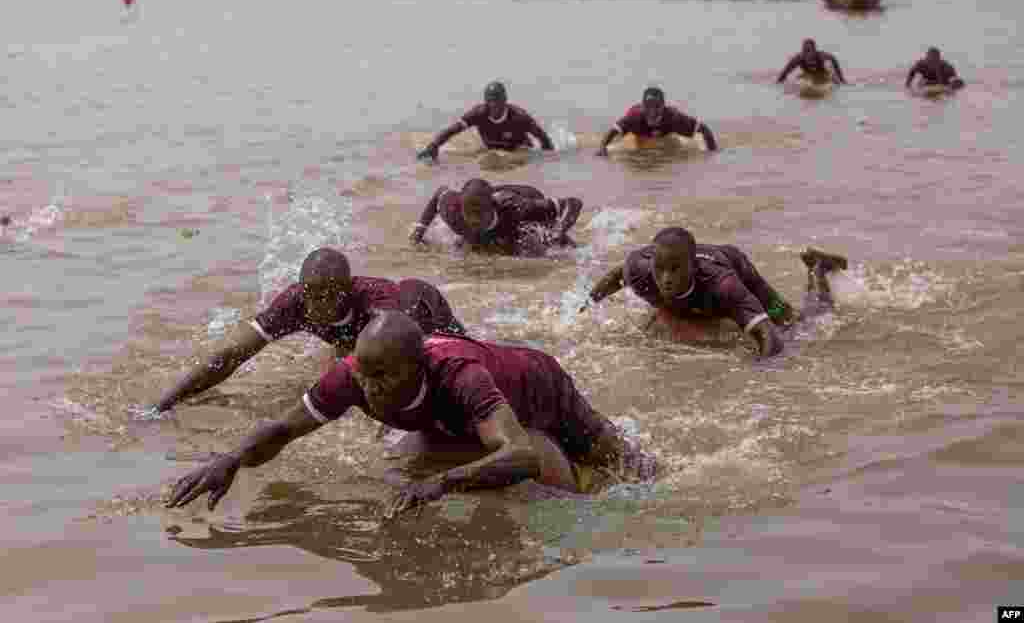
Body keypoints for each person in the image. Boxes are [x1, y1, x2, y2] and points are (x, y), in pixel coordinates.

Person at [165, 311, 657, 517]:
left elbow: (521, 454)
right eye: (362, 372)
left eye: (381, 376)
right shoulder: (352, 375)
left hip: (539, 387)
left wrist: (444, 483)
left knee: (614, 477)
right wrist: (230, 459)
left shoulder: (459, 376)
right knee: (411, 465)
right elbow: (282, 429)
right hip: (465, 418)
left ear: (416, 368)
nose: (367, 386)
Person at [153, 248, 466, 413]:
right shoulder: (294, 303)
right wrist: (165, 402)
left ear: (348, 290)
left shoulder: (376, 301)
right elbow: (231, 354)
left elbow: (409, 360)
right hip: (359, 336)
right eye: (310, 294)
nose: (316, 305)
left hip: (422, 309)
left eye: (328, 295)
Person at [584, 227, 847, 358]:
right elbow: (613, 278)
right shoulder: (638, 269)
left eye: (675, 270)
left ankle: (819, 270)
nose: (666, 279)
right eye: (660, 269)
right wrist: (584, 311)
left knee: (795, 324)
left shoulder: (724, 285)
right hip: (699, 281)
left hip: (738, 269)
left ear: (693, 267)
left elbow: (770, 338)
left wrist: (764, 373)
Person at [410, 178, 582, 257]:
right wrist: (419, 230)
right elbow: (440, 193)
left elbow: (574, 203)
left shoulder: (518, 208)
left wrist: (559, 232)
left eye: (480, 213)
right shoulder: (452, 208)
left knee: (533, 247)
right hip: (488, 197)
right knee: (471, 247)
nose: (474, 220)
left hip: (526, 195)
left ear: (492, 207)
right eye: (469, 213)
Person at [416, 82, 554, 162]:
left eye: (498, 102)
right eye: (490, 102)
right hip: (492, 151)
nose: (494, 106)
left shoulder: (519, 117)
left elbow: (543, 139)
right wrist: (434, 146)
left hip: (519, 152)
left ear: (505, 101)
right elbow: (452, 130)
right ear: (486, 102)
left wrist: (546, 161)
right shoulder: (478, 114)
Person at [596, 87, 718, 155]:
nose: (652, 112)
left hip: (666, 135)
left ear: (664, 106)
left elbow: (704, 129)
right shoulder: (634, 117)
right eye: (648, 106)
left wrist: (712, 152)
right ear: (642, 106)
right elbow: (611, 132)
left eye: (657, 107)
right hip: (638, 135)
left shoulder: (673, 117)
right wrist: (602, 149)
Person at [776, 38, 848, 85]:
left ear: (814, 50)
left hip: (823, 73)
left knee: (835, 81)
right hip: (808, 74)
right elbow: (784, 73)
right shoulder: (798, 59)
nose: (807, 54)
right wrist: (778, 83)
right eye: (805, 51)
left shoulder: (821, 56)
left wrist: (841, 79)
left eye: (809, 51)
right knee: (799, 78)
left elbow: (833, 59)